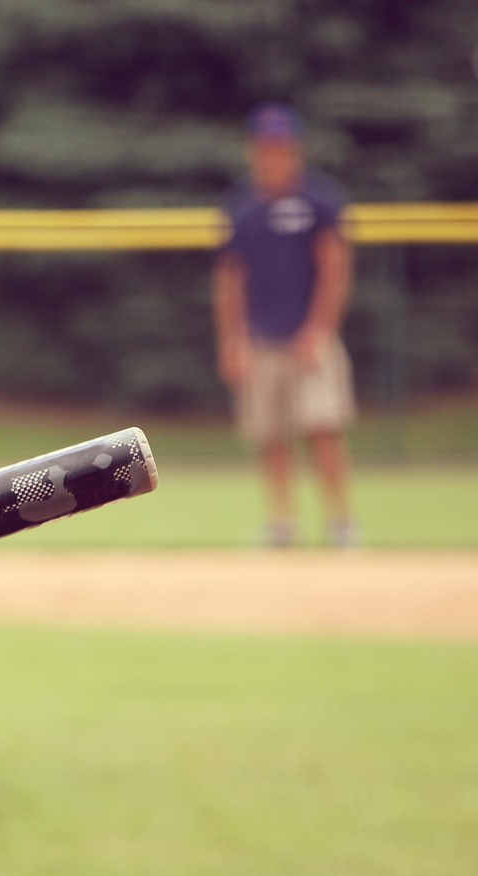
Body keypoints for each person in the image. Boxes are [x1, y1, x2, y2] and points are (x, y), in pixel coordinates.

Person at [214, 104, 357, 548]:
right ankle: (282, 524)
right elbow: (229, 280)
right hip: (261, 341)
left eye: (282, 147)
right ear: (253, 151)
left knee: (323, 428)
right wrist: (232, 341)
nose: (274, 156)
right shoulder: (243, 207)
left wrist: (319, 330)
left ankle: (340, 523)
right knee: (270, 435)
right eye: (265, 148)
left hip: (309, 339)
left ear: (296, 150)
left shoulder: (320, 201)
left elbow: (335, 267)